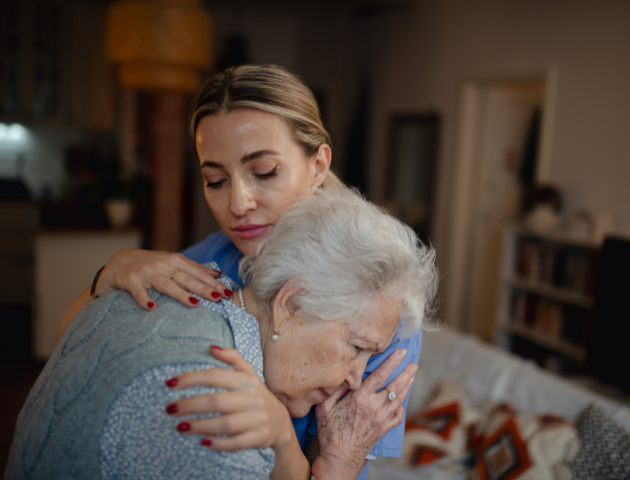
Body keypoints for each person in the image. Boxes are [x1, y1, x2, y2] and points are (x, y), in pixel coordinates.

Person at [53, 64, 426, 479]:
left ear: (318, 165)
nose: (238, 203)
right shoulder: (208, 259)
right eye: (216, 179)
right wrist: (107, 276)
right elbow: (70, 351)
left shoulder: (378, 306)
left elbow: (335, 470)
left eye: (264, 173)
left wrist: (283, 435)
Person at [7, 187, 438, 480]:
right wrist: (337, 466)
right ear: (291, 304)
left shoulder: (169, 291)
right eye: (358, 347)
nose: (355, 378)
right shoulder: (219, 407)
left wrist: (287, 443)